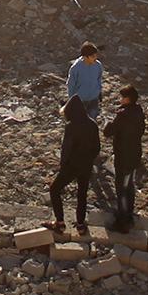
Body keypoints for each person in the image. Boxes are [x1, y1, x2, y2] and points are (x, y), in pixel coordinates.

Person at [49, 94, 98, 235]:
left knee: (54, 189)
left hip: (72, 165)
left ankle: (59, 223)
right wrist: (89, 160)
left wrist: (62, 166)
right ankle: (81, 225)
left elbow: (67, 149)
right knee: (82, 194)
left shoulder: (71, 127)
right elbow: (97, 148)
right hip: (86, 166)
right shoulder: (92, 124)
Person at [109, 84, 145, 231]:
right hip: (134, 155)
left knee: (121, 189)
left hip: (123, 157)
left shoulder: (122, 115)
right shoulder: (139, 112)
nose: (120, 99)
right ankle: (128, 214)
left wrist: (112, 120)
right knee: (129, 186)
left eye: (122, 97)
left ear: (127, 99)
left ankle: (123, 221)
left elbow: (108, 131)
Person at [67, 42, 103, 120]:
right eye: (92, 56)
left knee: (92, 122)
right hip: (80, 101)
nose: (95, 58)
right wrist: (72, 101)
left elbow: (99, 79)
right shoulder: (76, 68)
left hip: (93, 99)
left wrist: (99, 92)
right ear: (85, 57)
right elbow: (71, 85)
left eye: (96, 55)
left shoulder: (98, 65)